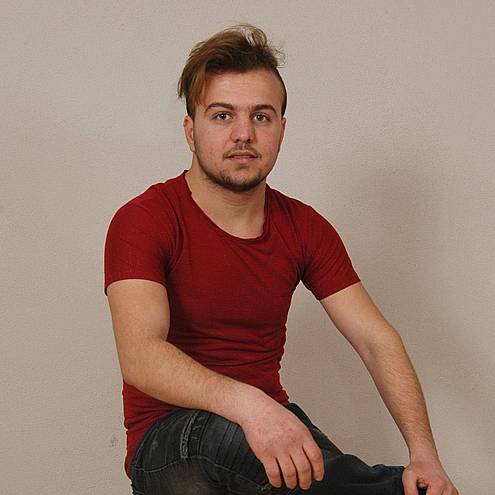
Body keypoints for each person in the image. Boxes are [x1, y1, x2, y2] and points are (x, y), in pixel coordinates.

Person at [104, 23, 458, 495]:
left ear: (281, 130)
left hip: (267, 424)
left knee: (334, 473)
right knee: (237, 440)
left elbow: (377, 341)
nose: (244, 134)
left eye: (262, 116)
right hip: (170, 441)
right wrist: (251, 405)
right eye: (222, 116)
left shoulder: (305, 228)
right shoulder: (144, 219)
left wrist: (425, 455)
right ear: (191, 130)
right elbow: (141, 357)